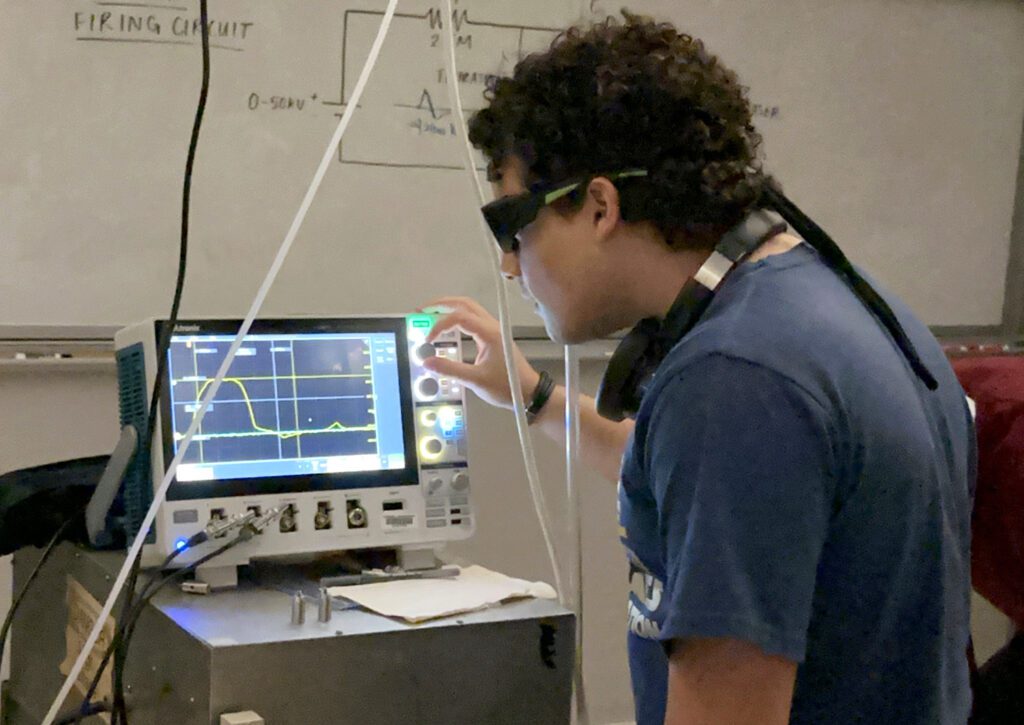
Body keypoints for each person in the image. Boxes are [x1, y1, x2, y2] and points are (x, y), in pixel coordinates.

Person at [421, 12, 974, 725]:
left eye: (512, 226)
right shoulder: (826, 302)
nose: (508, 263)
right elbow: (701, 489)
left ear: (599, 206)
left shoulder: (733, 383)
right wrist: (534, 396)